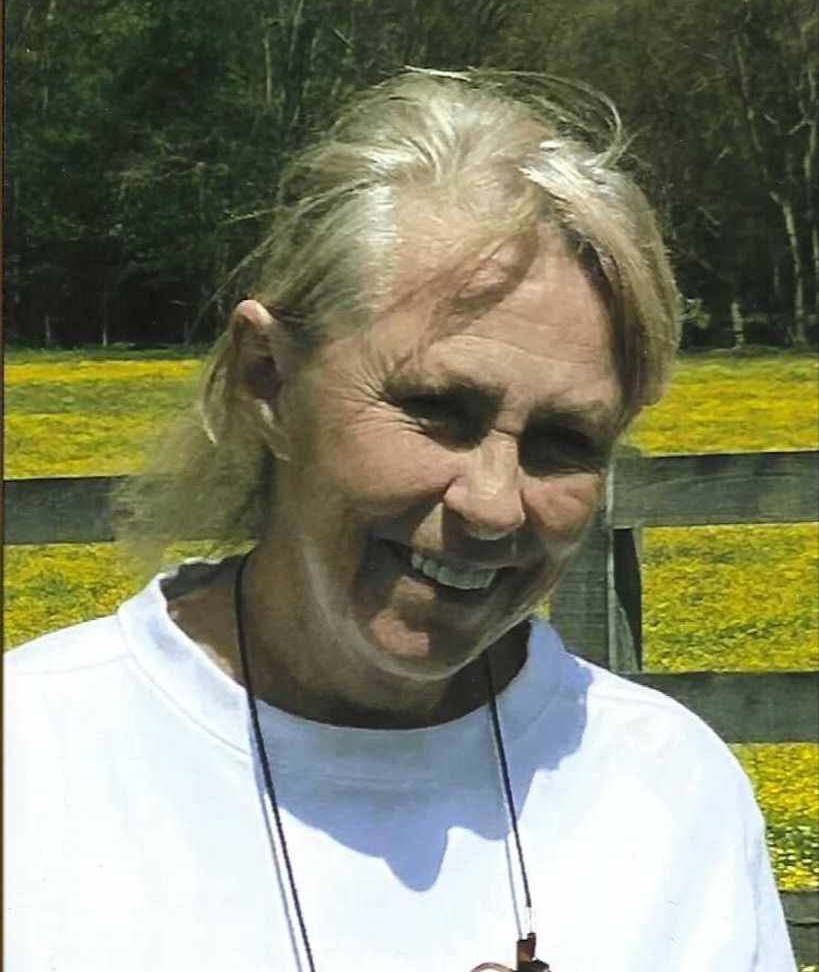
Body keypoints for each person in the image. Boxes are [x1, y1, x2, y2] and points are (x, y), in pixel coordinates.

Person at [5, 71, 796, 971]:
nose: (492, 505)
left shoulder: (667, 791)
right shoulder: (35, 762)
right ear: (267, 379)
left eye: (565, 441)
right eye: (436, 409)